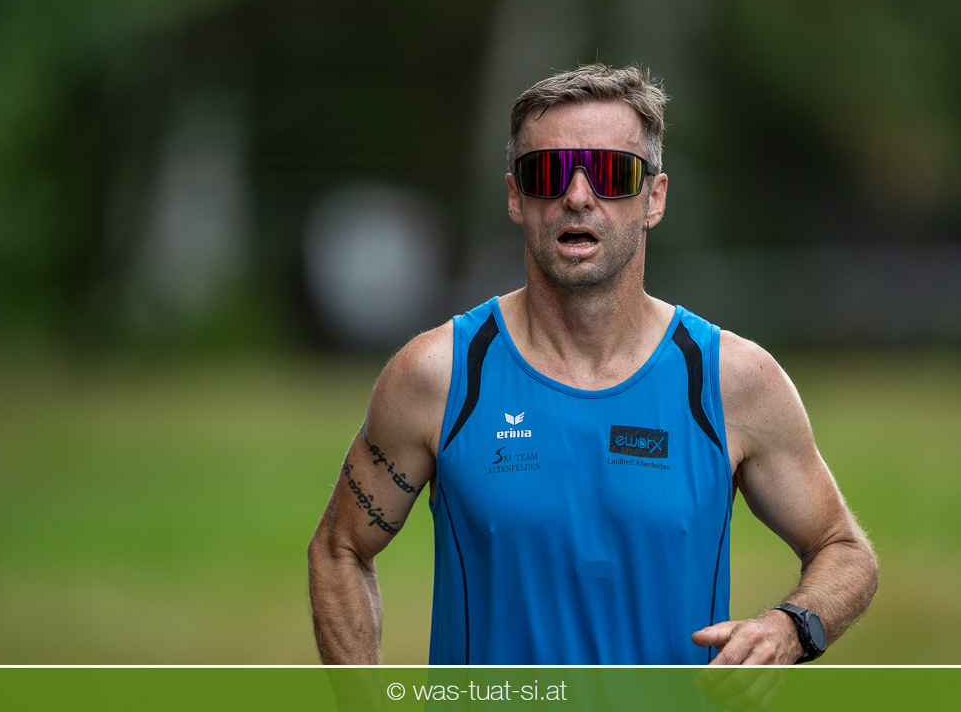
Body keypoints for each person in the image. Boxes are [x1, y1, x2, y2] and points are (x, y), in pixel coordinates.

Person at [307, 63, 878, 666]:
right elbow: (339, 550)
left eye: (611, 173)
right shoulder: (441, 376)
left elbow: (844, 550)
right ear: (516, 197)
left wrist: (790, 629)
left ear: (654, 197)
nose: (578, 196)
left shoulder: (729, 381)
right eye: (548, 173)